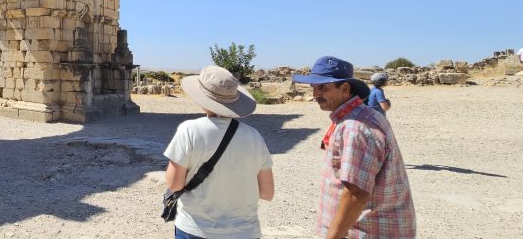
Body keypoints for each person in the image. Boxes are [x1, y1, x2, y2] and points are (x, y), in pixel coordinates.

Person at [293, 56, 415, 239]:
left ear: (344, 89)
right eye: (314, 88)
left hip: (367, 232)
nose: (315, 94)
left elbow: (356, 193)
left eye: (322, 88)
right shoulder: (359, 117)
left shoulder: (355, 127)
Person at [163, 65, 274, 239]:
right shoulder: (254, 136)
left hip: (196, 228)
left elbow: (175, 184)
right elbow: (267, 192)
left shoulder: (189, 130)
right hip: (244, 232)